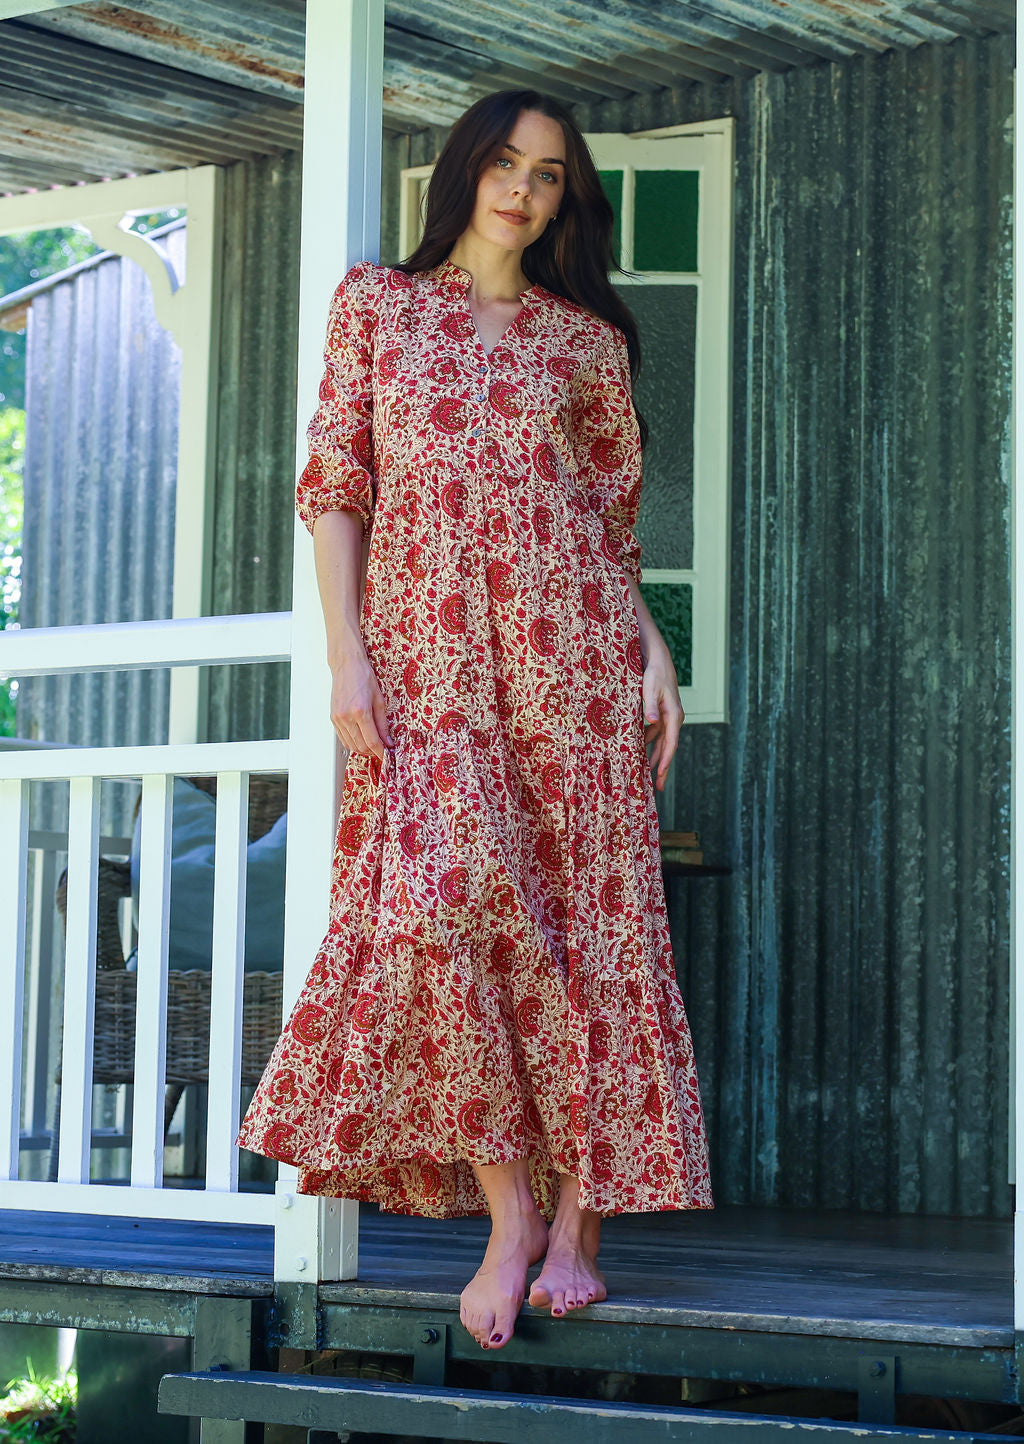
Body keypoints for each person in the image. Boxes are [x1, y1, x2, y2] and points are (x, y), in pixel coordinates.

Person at [236, 87, 713, 1355]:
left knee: (588, 924)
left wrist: (651, 646)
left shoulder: (582, 342)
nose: (522, 188)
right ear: (463, 173)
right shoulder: (377, 308)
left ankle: (578, 1229)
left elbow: (607, 529)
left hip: (575, 668)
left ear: (567, 199)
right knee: (443, 907)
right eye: (504, 163)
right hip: (431, 669)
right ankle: (507, 1214)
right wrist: (349, 659)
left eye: (549, 174)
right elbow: (335, 484)